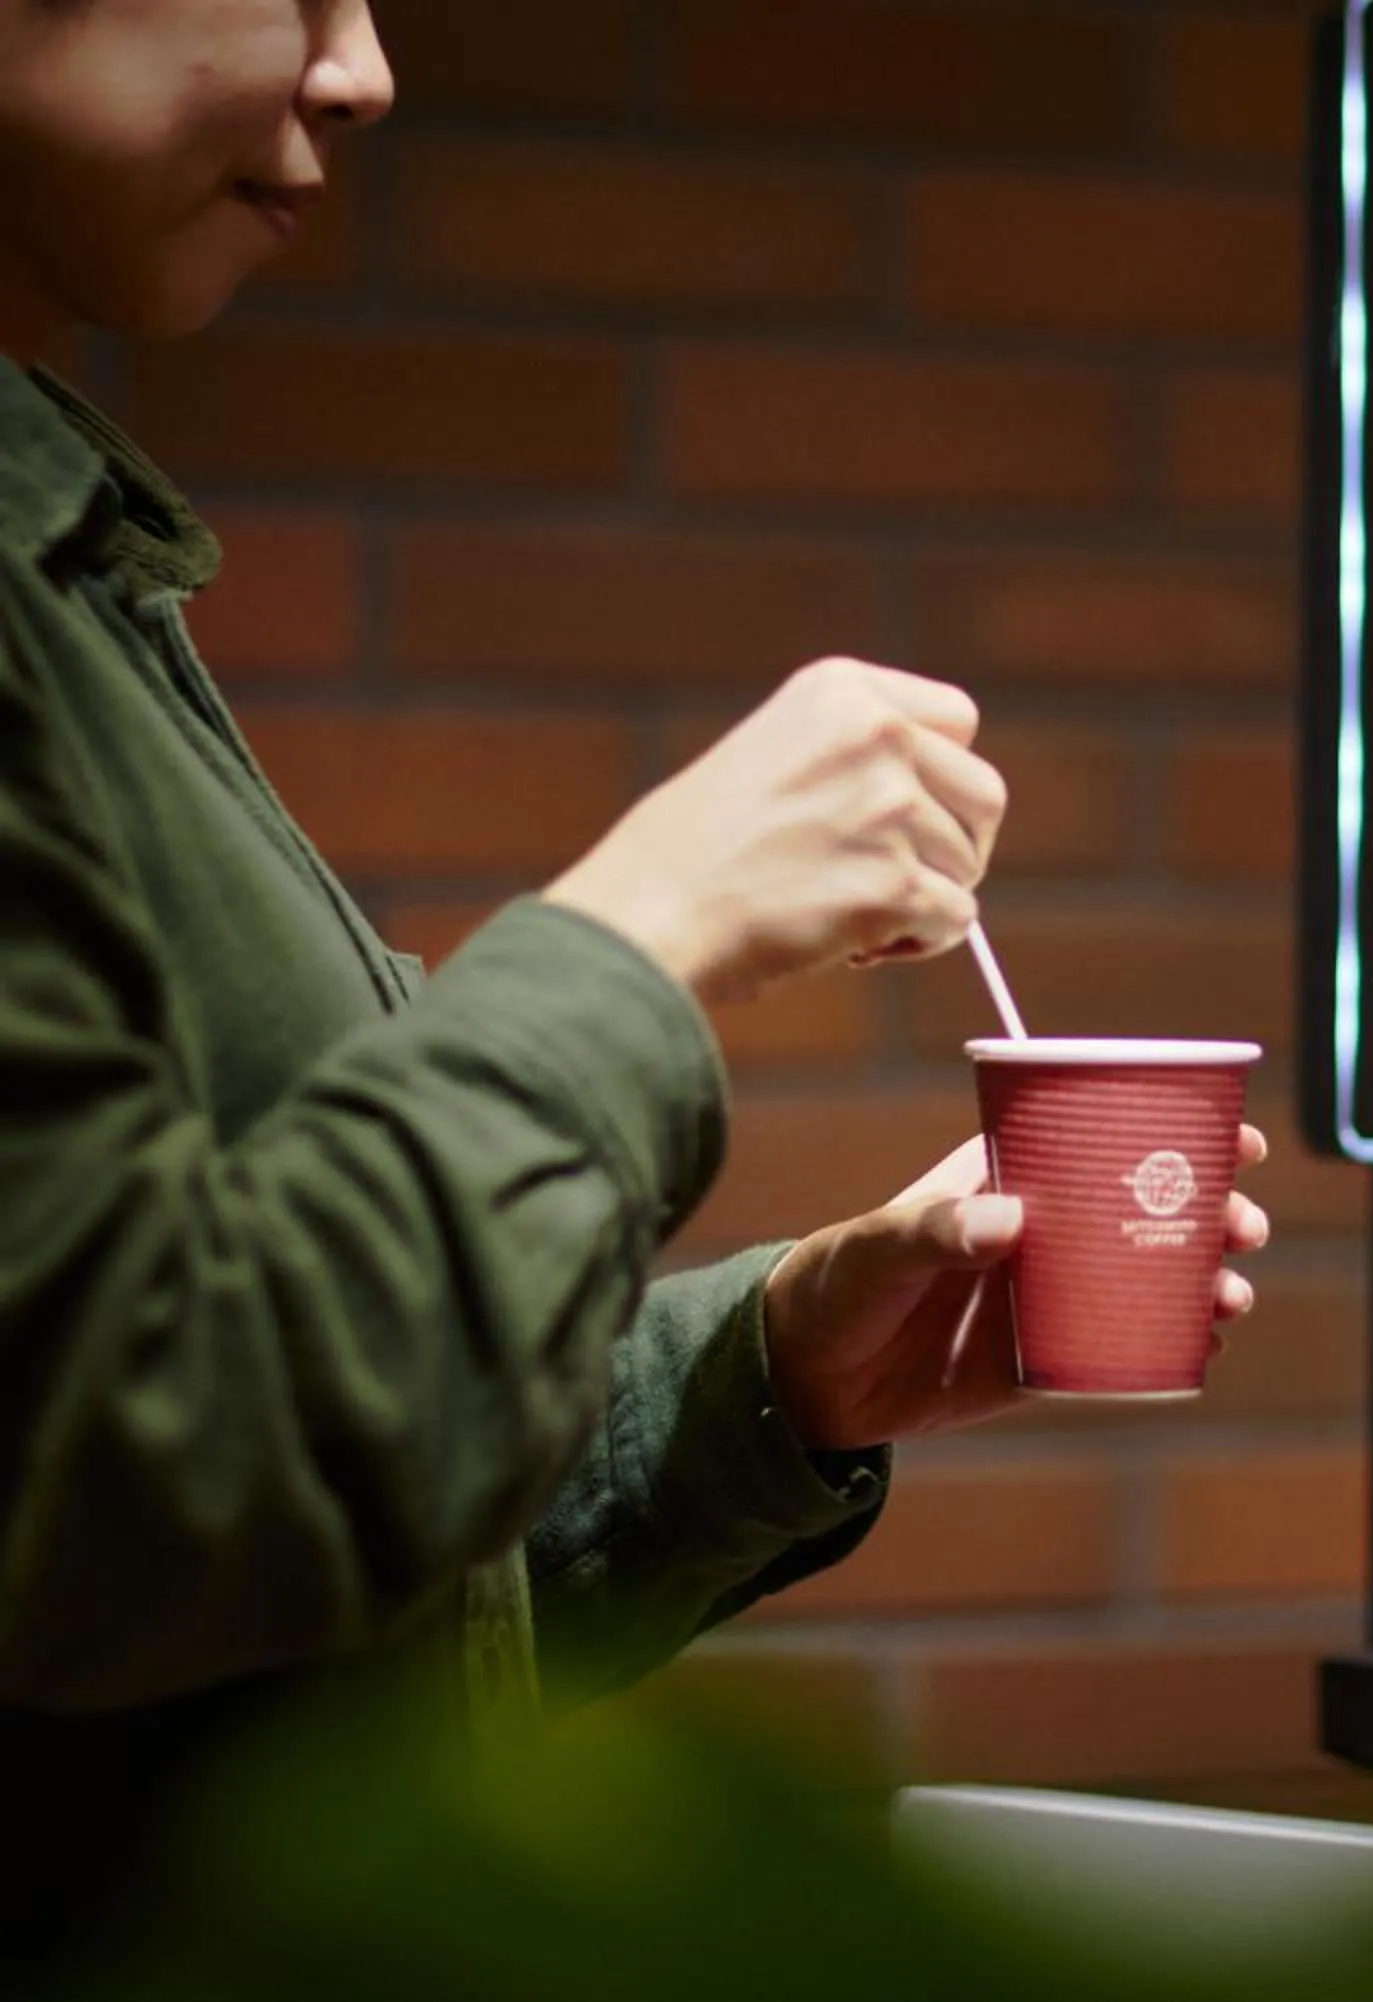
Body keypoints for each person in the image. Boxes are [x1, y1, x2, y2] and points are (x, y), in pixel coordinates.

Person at [0, 0, 1270, 1960]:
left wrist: (768, 1373)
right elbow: (129, 1489)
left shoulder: (64, 569)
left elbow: (315, 1555)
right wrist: (646, 932)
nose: (363, 69)